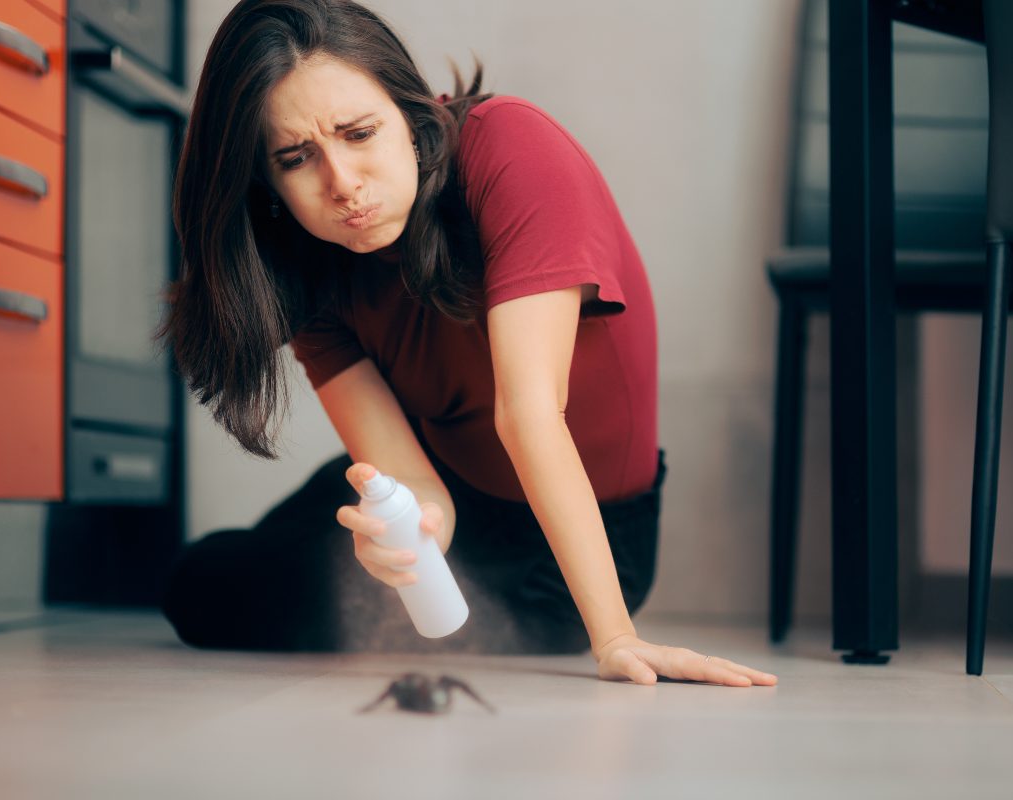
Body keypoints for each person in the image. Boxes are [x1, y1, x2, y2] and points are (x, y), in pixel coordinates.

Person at [157, 0, 776, 688]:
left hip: (572, 548)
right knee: (201, 582)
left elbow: (529, 412)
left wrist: (616, 638)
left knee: (224, 589)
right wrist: (411, 535)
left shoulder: (509, 148)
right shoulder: (306, 266)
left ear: (411, 116)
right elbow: (415, 483)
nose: (342, 185)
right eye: (297, 158)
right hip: (445, 485)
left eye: (359, 133)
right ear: (265, 185)